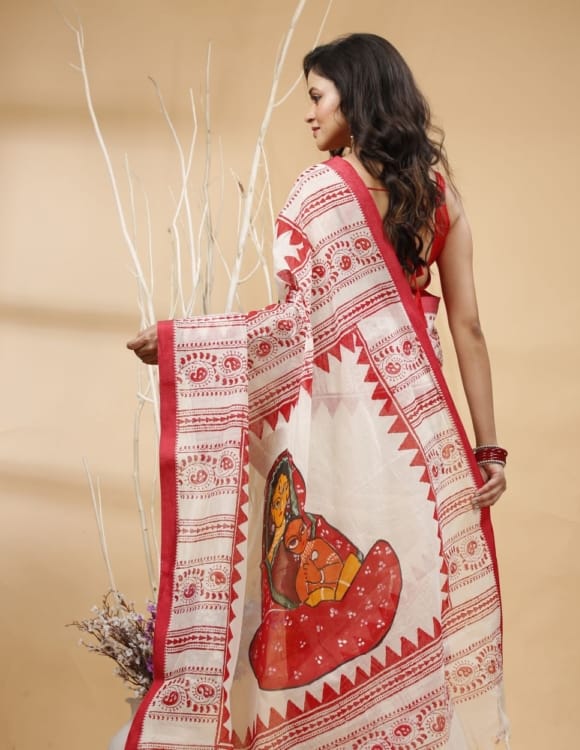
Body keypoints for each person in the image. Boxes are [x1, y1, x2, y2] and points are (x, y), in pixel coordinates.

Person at [126, 33, 509, 750]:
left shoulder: (320, 192)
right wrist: (489, 451)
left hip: (339, 437)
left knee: (311, 623)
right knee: (413, 619)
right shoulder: (441, 195)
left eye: (316, 96)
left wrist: (183, 346)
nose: (307, 114)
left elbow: (290, 328)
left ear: (355, 97)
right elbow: (469, 329)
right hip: (423, 445)